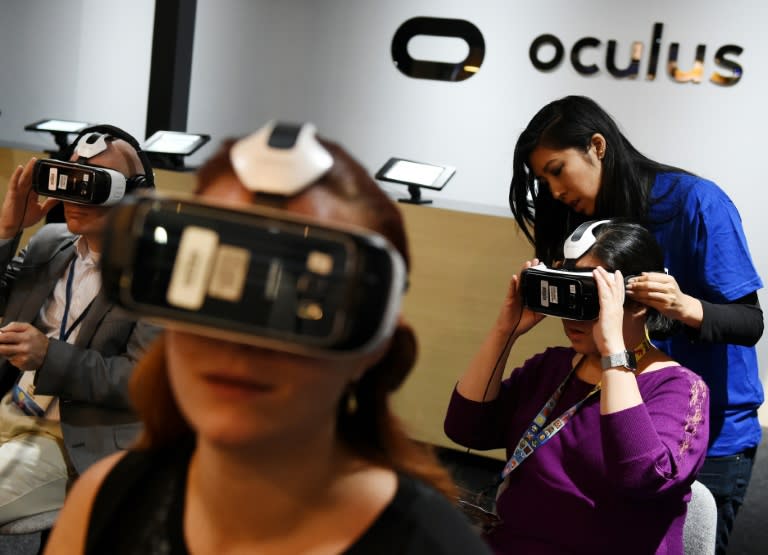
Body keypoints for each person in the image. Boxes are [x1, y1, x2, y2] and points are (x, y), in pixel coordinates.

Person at [44, 123, 493, 555]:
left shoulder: (434, 545)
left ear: (373, 344)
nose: (238, 347)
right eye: (208, 286)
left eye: (302, 302)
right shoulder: (107, 500)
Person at [507, 95, 763, 553]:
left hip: (710, 432)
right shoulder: (578, 222)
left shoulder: (696, 204)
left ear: (597, 146)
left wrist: (686, 307)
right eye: (542, 178)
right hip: (613, 421)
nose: (553, 190)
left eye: (557, 169)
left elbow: (749, 322)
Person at [445, 219, 710, 554]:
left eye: (591, 296)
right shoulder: (552, 366)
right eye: (568, 291)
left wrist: (614, 348)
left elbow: (641, 477)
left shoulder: (680, 389)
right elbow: (465, 429)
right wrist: (505, 331)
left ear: (640, 302)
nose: (572, 315)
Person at [0, 125, 160, 525]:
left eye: (92, 185)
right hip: (10, 411)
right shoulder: (49, 243)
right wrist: (8, 230)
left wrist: (49, 356)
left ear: (134, 195)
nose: (74, 196)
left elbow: (140, 380)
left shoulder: (156, 276)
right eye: (68, 178)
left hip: (77, 439)